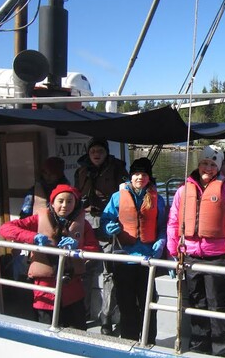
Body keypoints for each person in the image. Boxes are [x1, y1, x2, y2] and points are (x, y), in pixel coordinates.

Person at [167, 145, 225, 356]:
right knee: (196, 305)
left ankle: (220, 351)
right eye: (204, 163)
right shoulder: (183, 191)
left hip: (217, 258)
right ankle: (199, 349)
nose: (208, 168)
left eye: (212, 164)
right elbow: (173, 221)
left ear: (218, 168)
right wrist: (173, 250)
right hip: (190, 257)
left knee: (217, 307)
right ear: (198, 164)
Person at [0, 185, 100, 329]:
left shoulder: (84, 224)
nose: (65, 205)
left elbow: (94, 249)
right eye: (60, 201)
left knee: (77, 332)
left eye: (69, 201)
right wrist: (33, 237)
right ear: (52, 203)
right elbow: (5, 228)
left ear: (75, 203)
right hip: (45, 293)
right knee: (47, 332)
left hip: (73, 291)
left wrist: (76, 247)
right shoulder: (38, 219)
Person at [100, 157, 166, 344]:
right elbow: (105, 221)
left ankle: (148, 341)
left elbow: (162, 227)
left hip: (147, 260)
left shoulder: (157, 199)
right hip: (124, 258)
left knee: (148, 303)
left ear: (149, 177)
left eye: (144, 174)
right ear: (131, 176)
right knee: (126, 304)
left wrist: (161, 242)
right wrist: (108, 228)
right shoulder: (117, 197)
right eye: (136, 173)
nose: (140, 177)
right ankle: (129, 342)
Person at [75, 137, 128, 335]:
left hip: (109, 222)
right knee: (85, 269)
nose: (96, 154)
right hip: (87, 221)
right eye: (93, 151)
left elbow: (125, 197)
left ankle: (106, 318)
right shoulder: (81, 171)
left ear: (106, 152)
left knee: (109, 273)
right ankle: (83, 313)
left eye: (100, 150)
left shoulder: (117, 169)